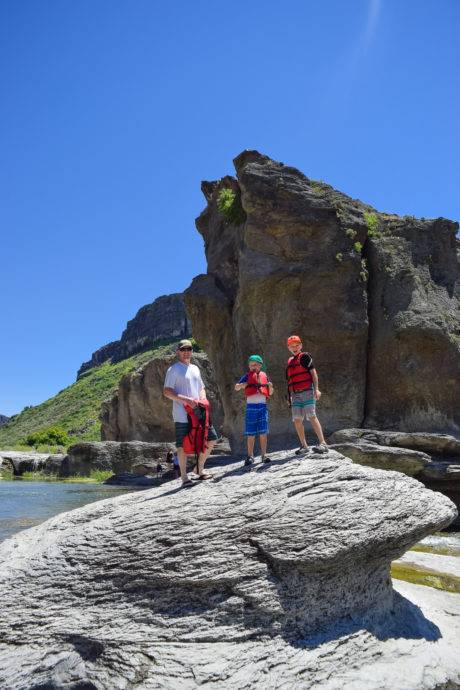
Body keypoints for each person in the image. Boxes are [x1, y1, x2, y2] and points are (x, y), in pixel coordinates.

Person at [163, 339, 218, 487]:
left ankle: (199, 468)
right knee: (182, 446)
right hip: (182, 414)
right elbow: (167, 392)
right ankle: (184, 478)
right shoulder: (173, 369)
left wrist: (203, 398)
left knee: (211, 438)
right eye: (183, 349)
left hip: (199, 411)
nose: (186, 352)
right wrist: (186, 400)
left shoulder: (195, 368)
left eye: (189, 349)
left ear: (192, 351)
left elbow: (201, 387)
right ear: (178, 352)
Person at [285, 335, 327, 454]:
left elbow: (313, 374)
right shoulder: (290, 361)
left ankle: (323, 443)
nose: (295, 347)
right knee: (297, 420)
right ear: (288, 347)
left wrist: (316, 389)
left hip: (308, 391)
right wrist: (289, 396)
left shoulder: (304, 357)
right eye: (292, 346)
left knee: (312, 416)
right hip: (295, 394)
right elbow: (290, 381)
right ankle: (304, 446)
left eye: (297, 345)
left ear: (301, 345)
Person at [234, 354, 274, 466]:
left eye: (255, 365)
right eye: (251, 365)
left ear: (260, 365)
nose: (253, 367)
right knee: (250, 433)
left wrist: (270, 387)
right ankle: (250, 456)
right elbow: (236, 387)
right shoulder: (247, 376)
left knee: (263, 432)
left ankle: (264, 455)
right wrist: (243, 384)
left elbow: (270, 393)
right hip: (251, 407)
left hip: (262, 406)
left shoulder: (265, 376)